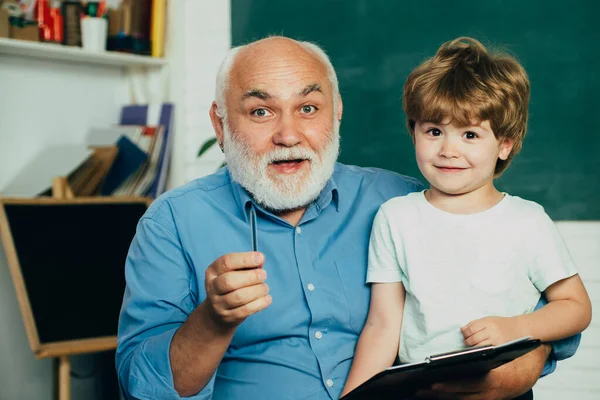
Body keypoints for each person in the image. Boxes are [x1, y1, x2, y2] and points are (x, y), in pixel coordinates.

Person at [116, 36, 580, 400]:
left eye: (308, 108)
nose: (288, 133)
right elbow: (142, 385)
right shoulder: (172, 222)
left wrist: (523, 363)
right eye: (261, 111)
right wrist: (212, 321)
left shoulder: (411, 202)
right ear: (220, 125)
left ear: (336, 114)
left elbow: (532, 307)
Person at [341, 37, 592, 398]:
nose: (448, 150)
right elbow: (382, 326)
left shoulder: (527, 221)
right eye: (434, 131)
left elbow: (575, 307)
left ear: (504, 144)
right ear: (413, 132)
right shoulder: (395, 217)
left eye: (470, 134)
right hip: (420, 391)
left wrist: (517, 327)